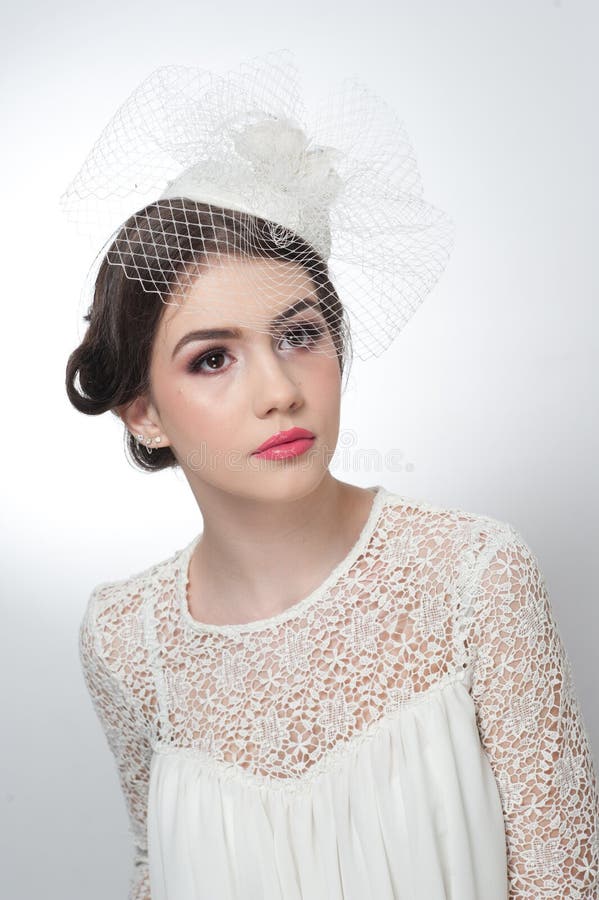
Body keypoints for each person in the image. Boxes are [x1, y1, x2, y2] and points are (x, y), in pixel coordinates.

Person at [63, 53, 598, 899]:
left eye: (299, 335)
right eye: (212, 359)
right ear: (143, 413)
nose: (278, 392)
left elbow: (565, 879)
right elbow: (152, 869)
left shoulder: (474, 576)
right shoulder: (126, 639)